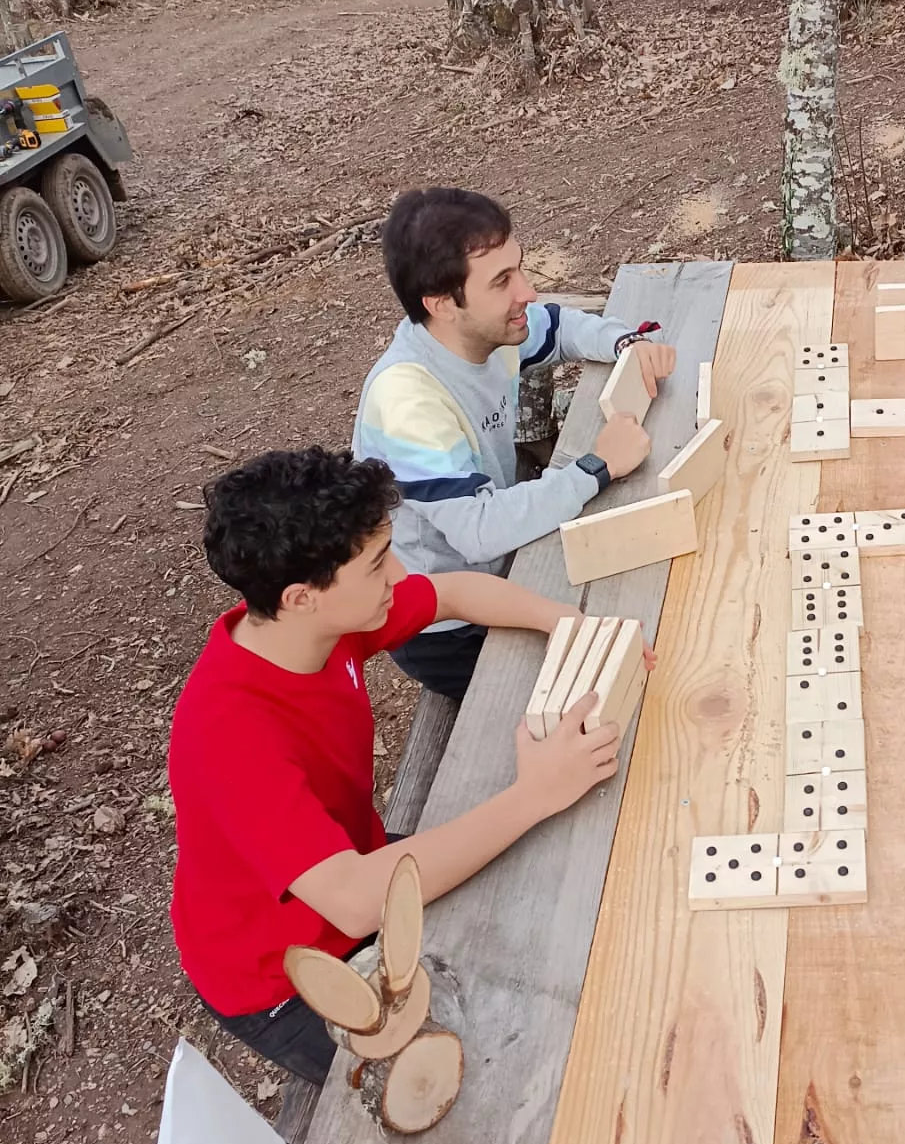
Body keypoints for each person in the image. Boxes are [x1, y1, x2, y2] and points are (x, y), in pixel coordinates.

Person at [169, 447, 643, 1083]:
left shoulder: (317, 625)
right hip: (288, 970)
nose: (399, 572)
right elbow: (357, 905)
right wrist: (535, 792)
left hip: (351, 866)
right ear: (301, 597)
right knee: (457, 1085)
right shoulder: (228, 735)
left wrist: (568, 624)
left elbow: (450, 592)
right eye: (376, 564)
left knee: (541, 906)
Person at [353, 187, 677, 703]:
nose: (526, 291)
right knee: (626, 684)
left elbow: (562, 326)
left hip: (501, 568)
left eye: (519, 269)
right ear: (441, 303)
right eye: (502, 281)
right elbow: (481, 532)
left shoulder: (483, 332)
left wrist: (625, 343)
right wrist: (596, 466)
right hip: (448, 626)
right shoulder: (406, 403)